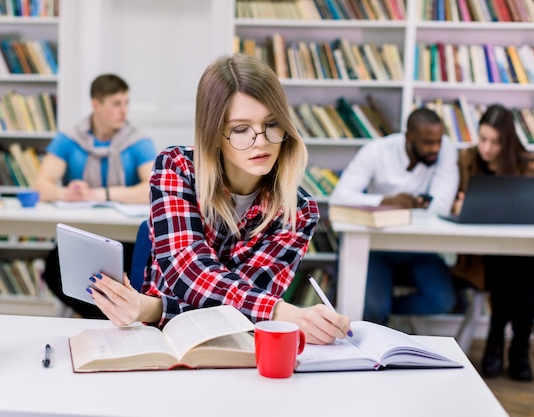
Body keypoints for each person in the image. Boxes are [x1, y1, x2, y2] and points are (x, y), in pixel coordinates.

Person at [86, 54, 352, 345]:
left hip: (233, 347)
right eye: (240, 129)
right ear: (213, 134)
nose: (261, 141)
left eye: (272, 123)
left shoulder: (299, 211)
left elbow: (238, 316)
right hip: (159, 342)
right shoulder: (176, 167)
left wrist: (152, 307)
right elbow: (190, 272)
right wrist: (280, 312)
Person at [33, 73, 157, 318]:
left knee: (135, 272)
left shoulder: (137, 141)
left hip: (125, 241)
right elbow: (40, 186)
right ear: (96, 104)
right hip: (81, 238)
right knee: (53, 268)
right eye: (116, 104)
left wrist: (101, 194)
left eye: (126, 103)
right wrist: (66, 193)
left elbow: (151, 189)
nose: (124, 111)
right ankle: (102, 317)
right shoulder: (69, 139)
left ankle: (103, 316)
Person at [329, 107, 459, 325]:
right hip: (376, 245)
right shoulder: (376, 152)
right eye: (428, 143)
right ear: (409, 137)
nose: (435, 148)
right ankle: (377, 315)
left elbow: (441, 205)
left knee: (444, 301)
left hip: (419, 247)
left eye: (438, 141)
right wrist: (384, 201)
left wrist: (417, 204)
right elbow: (339, 197)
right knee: (373, 308)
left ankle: (382, 316)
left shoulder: (445, 150)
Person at [452, 104, 534, 381]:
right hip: (480, 254)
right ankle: (511, 347)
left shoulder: (527, 164)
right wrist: (459, 205)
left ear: (507, 142)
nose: (486, 148)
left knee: (523, 273)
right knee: (507, 270)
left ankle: (504, 343)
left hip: (522, 253)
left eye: (495, 142)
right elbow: (450, 200)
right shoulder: (468, 160)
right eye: (483, 138)